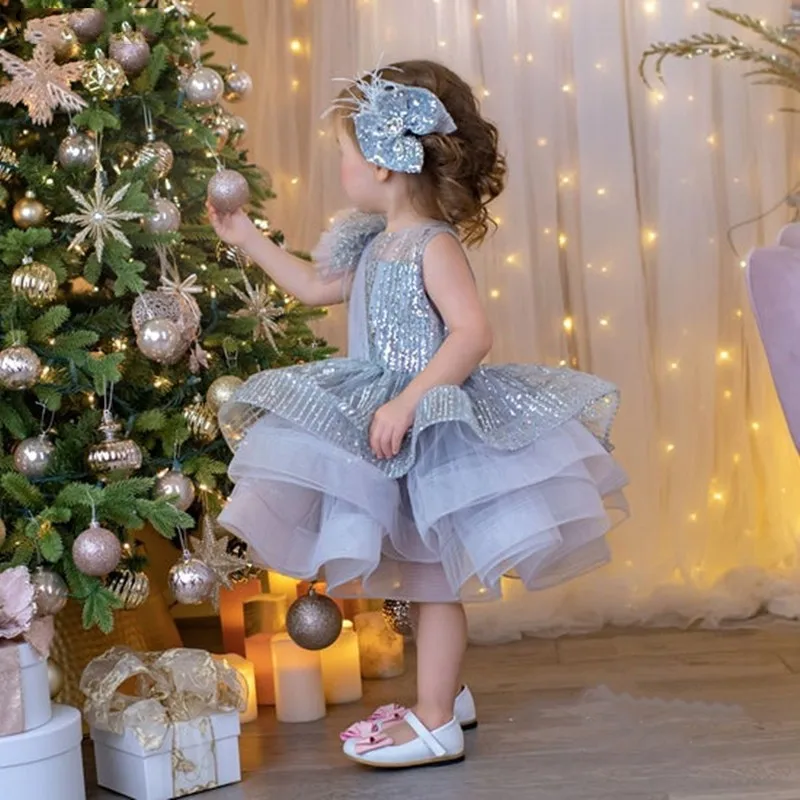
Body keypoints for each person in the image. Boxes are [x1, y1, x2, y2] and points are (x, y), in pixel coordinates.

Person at [207, 59, 628, 770]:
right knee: (406, 572)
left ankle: (435, 720)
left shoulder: (432, 245)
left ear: (386, 161)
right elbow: (313, 285)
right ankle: (447, 692)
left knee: (432, 582)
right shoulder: (370, 240)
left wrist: (408, 400)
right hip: (381, 418)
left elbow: (471, 333)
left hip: (427, 424)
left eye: (344, 154)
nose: (340, 168)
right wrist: (247, 237)